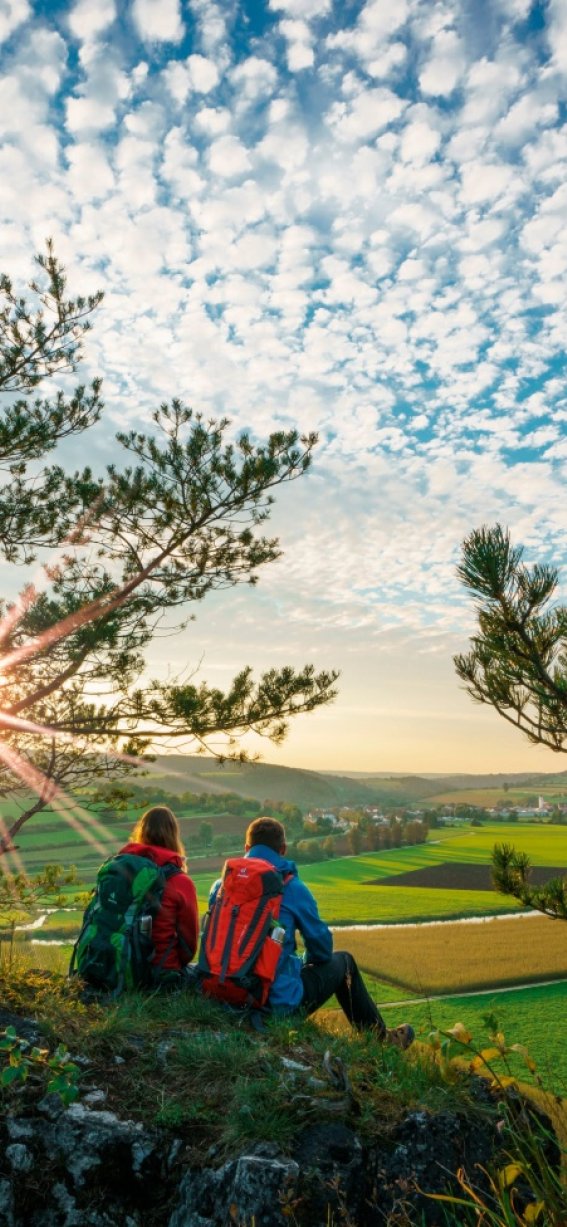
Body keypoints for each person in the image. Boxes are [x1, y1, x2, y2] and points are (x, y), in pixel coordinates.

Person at [210, 816, 414, 1047]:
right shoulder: (291, 887)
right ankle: (381, 1040)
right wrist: (302, 962)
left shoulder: (220, 886)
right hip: (274, 1004)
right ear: (283, 849)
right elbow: (321, 948)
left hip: (221, 991)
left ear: (246, 848)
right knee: (345, 961)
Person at [120, 805, 199, 981]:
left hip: (118, 965)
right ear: (173, 835)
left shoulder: (121, 870)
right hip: (160, 972)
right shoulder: (180, 881)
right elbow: (189, 945)